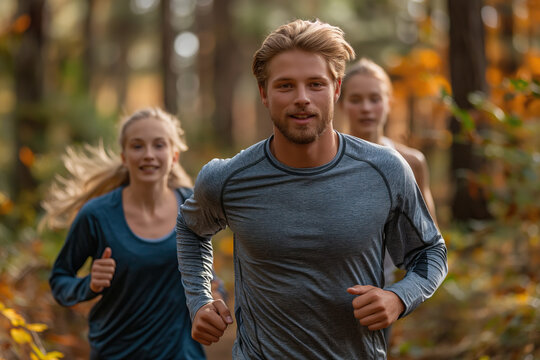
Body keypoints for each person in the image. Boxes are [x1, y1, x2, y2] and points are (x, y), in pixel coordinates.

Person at [177, 19, 448, 359]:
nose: (302, 99)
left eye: (316, 84)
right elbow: (190, 228)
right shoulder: (227, 178)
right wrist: (200, 298)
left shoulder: (387, 169)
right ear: (264, 93)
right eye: (286, 86)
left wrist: (398, 297)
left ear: (336, 89)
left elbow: (430, 251)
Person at [42, 107, 224, 360]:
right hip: (116, 353)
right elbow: (59, 280)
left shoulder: (192, 208)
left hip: (181, 354)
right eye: (137, 146)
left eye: (159, 145)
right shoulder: (97, 215)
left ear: (174, 156)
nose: (148, 155)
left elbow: (205, 275)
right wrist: (89, 284)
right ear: (124, 157)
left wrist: (214, 297)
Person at [339, 57, 440, 345]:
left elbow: (428, 239)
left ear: (389, 102)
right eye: (356, 99)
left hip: (380, 289)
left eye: (375, 98)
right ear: (342, 103)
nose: (366, 108)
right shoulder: (326, 159)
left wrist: (403, 293)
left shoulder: (411, 162)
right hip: (326, 286)